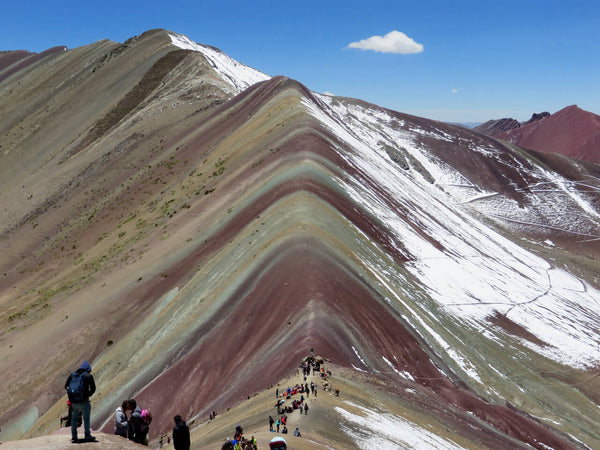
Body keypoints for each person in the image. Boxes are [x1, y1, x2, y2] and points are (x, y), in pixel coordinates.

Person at [64, 360, 96, 442]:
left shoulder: (73, 375)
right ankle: (87, 435)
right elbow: (93, 389)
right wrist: (87, 395)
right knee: (86, 418)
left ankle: (74, 436)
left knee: (74, 418)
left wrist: (72, 396)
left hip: (74, 402)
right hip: (84, 401)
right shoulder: (88, 376)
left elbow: (66, 386)